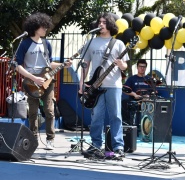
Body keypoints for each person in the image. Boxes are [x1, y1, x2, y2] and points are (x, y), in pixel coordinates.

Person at [16, 12, 72, 150]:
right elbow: (17, 66)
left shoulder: (47, 44)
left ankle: (50, 139)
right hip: (31, 82)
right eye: (43, 26)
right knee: (33, 112)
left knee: (49, 110)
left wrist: (62, 64)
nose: (45, 29)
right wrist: (33, 78)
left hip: (48, 81)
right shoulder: (25, 43)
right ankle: (33, 138)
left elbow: (49, 64)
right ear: (35, 27)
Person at [79, 12, 129, 159]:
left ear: (110, 25)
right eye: (99, 22)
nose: (101, 24)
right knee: (96, 117)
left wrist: (121, 64)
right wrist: (82, 83)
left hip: (114, 85)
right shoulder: (91, 42)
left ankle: (118, 147)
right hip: (95, 86)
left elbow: (125, 66)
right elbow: (85, 64)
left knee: (116, 116)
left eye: (104, 22)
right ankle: (96, 145)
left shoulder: (118, 43)